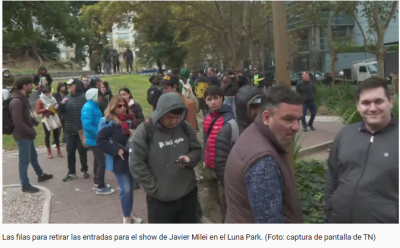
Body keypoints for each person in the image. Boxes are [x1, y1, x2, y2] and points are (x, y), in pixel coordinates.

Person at [224, 84, 304, 223]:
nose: (296, 127)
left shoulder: (253, 133)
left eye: (298, 119)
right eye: (288, 119)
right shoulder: (263, 161)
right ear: (266, 117)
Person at [324, 78, 399, 223]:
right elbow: (332, 175)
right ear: (358, 105)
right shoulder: (345, 134)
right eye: (365, 103)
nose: (372, 108)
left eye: (378, 101)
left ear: (390, 101)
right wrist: (328, 210)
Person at [130, 92, 202, 223]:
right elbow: (136, 164)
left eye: (178, 117)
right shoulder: (145, 131)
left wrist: (189, 159)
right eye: (170, 117)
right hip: (161, 201)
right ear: (160, 113)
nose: (174, 121)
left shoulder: (184, 127)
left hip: (187, 195)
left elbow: (196, 150)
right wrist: (154, 188)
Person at [213, 85, 263, 220]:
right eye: (253, 107)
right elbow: (221, 165)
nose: (258, 111)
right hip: (236, 196)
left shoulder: (267, 129)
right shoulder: (229, 131)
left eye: (260, 106)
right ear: (242, 108)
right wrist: (239, 191)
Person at [97, 95, 142, 223]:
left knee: (131, 187)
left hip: (132, 157)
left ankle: (130, 212)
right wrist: (116, 150)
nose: (122, 108)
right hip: (118, 159)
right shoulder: (107, 121)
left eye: (124, 106)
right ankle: (126, 217)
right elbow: (100, 140)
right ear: (113, 107)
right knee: (125, 189)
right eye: (119, 106)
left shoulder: (130, 120)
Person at [8, 76, 53, 193]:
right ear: (25, 86)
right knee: (24, 160)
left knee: (33, 156)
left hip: (26, 133)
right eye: (30, 84)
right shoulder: (17, 101)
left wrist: (32, 121)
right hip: (23, 135)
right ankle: (25, 184)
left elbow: (24, 116)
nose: (32, 86)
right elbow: (18, 122)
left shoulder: (21, 98)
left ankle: (40, 174)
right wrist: (31, 131)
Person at [202, 86, 235, 222]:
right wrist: (205, 159)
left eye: (216, 98)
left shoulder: (229, 119)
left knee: (226, 200)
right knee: (215, 198)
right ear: (205, 101)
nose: (213, 102)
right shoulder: (207, 118)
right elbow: (206, 141)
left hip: (224, 167)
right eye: (209, 99)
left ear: (222, 98)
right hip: (210, 165)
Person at [81, 88, 114, 194]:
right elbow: (87, 126)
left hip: (96, 139)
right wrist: (100, 135)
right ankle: (100, 186)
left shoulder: (94, 106)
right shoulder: (88, 108)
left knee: (97, 161)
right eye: (100, 96)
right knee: (101, 163)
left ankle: (97, 182)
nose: (101, 98)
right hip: (95, 140)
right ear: (94, 96)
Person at [58, 79, 89, 182]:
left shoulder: (84, 98)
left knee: (82, 151)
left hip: (81, 130)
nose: (69, 87)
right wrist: (61, 104)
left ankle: (84, 170)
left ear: (77, 86)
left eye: (71, 85)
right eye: (68, 85)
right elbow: (60, 113)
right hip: (69, 130)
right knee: (70, 152)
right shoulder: (66, 98)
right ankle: (71, 172)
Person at [35, 86, 63, 159]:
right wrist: (46, 108)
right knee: (47, 135)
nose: (48, 94)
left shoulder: (53, 98)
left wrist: (56, 107)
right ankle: (49, 151)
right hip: (46, 118)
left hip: (54, 117)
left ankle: (58, 150)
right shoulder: (40, 100)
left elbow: (56, 107)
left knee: (56, 135)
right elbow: (37, 111)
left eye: (49, 92)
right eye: (46, 93)